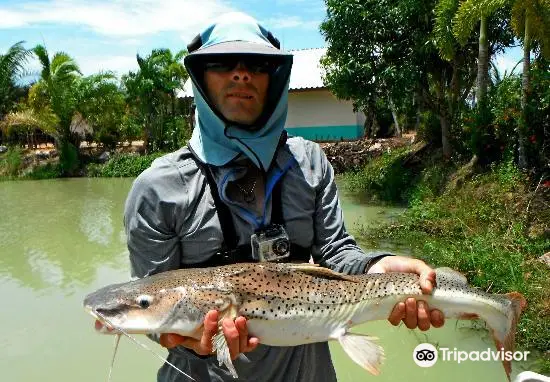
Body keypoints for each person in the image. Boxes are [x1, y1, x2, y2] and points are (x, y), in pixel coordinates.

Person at [111, 12, 444, 382]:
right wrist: (189, 341)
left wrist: (375, 268)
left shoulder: (310, 162)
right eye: (221, 63)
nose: (241, 74)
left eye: (257, 64)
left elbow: (336, 255)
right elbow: (154, 309)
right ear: (201, 78)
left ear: (276, 77)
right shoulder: (157, 189)